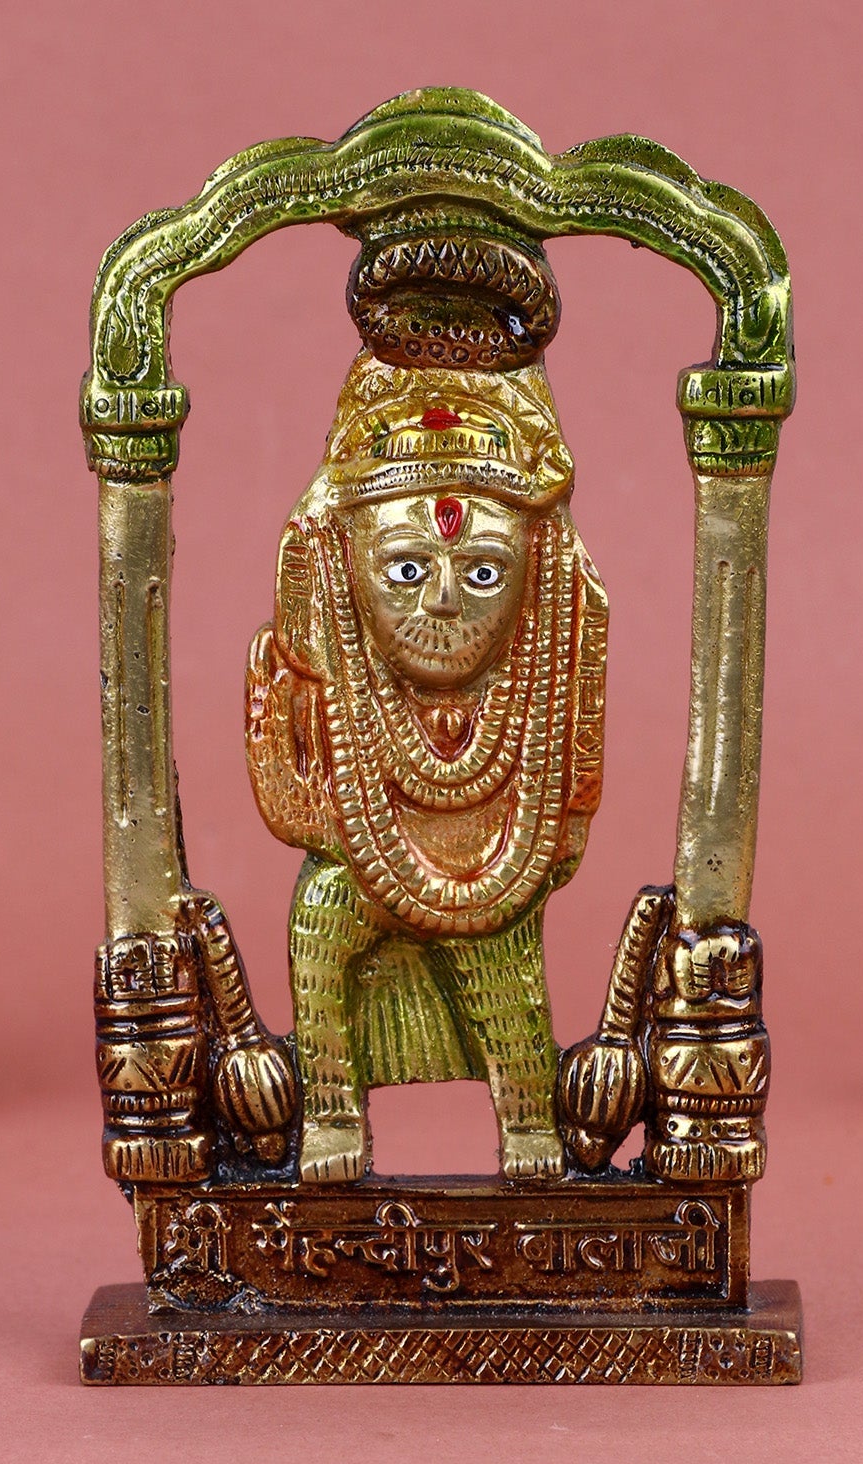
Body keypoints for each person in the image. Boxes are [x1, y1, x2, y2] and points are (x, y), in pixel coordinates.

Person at [246, 351, 606, 1182]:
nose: (442, 601)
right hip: (359, 861)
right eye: (406, 569)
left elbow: (573, 794)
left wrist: (545, 843)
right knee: (320, 924)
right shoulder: (316, 670)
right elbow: (289, 797)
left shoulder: (550, 674)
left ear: (535, 577)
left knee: (505, 963)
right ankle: (330, 1111)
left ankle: (529, 1119)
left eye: (482, 571)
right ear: (344, 567)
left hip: (498, 867)